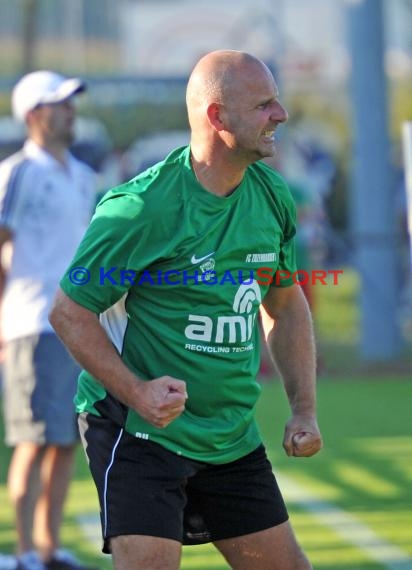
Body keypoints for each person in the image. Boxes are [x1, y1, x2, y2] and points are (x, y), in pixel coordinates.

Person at [49, 50, 323, 570]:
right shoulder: (141, 208)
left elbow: (285, 305)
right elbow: (69, 312)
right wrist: (138, 392)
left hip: (229, 433)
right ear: (218, 117)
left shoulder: (272, 196)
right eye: (264, 104)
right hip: (138, 431)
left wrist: (303, 409)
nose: (281, 115)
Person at [0, 71, 97, 570]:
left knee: (63, 441)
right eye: (60, 103)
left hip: (75, 328)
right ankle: (19, 555)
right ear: (34, 114)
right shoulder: (17, 172)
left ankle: (47, 548)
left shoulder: (83, 176)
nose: (70, 110)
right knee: (32, 441)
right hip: (31, 323)